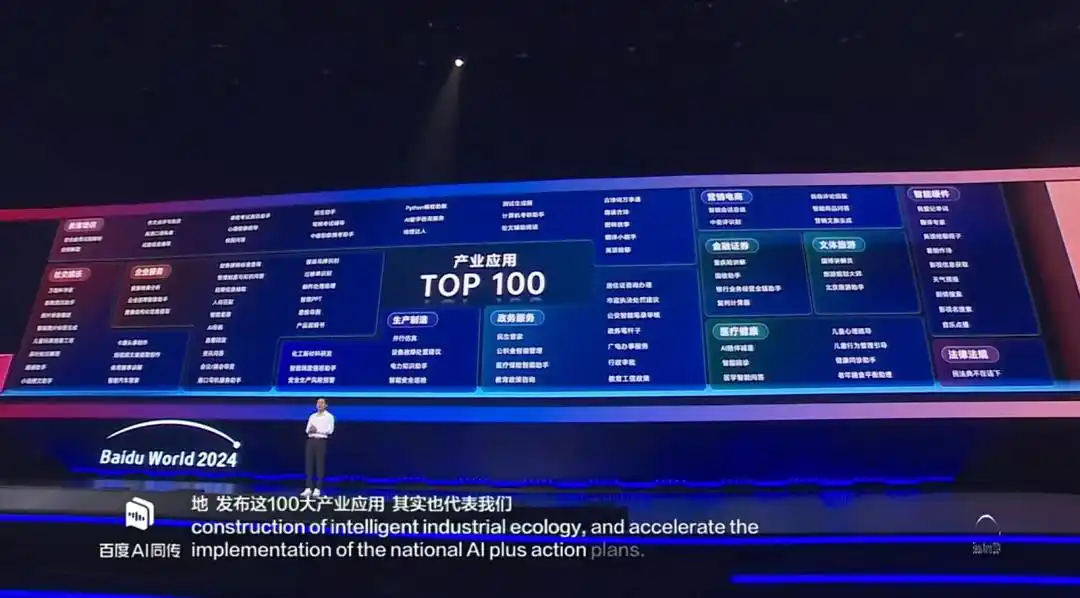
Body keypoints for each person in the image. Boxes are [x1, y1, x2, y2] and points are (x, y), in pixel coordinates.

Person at [302, 398, 334, 497]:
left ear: (326, 405)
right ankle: (308, 488)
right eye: (318, 403)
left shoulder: (329, 417)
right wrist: (311, 430)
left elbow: (330, 430)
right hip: (310, 440)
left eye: (322, 403)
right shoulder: (312, 416)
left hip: (321, 441)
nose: (319, 405)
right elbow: (307, 430)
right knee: (309, 464)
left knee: (319, 464)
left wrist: (317, 430)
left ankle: (318, 488)